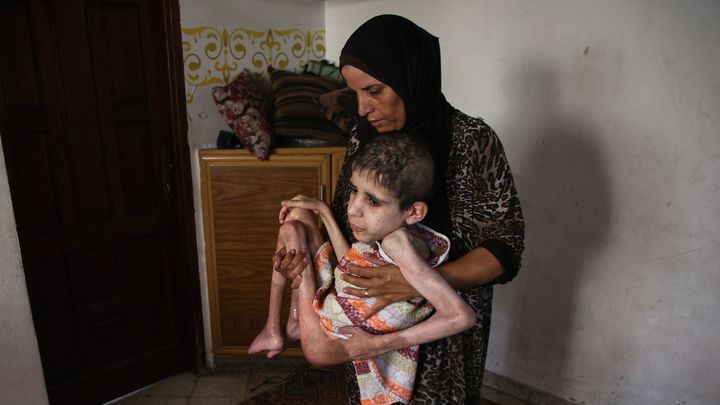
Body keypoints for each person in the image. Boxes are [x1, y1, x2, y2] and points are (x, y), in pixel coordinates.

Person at [274, 15, 525, 404]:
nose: (363, 108)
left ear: (410, 75)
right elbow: (353, 222)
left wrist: (416, 282)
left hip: (442, 343)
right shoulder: (365, 137)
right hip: (366, 325)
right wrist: (305, 262)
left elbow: (505, 248)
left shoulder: (470, 141)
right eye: (356, 94)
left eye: (374, 90)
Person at [249, 133, 476, 404]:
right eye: (354, 190)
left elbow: (461, 316)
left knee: (291, 227)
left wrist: (377, 345)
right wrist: (323, 211)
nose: (353, 209)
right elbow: (352, 269)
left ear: (414, 212)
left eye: (374, 201)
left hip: (325, 346)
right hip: (342, 304)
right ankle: (278, 327)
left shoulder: (397, 243)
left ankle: (282, 325)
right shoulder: (401, 236)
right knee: (300, 215)